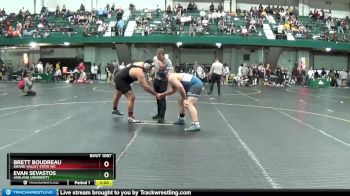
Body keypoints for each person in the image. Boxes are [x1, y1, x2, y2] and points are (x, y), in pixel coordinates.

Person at [152, 48, 174, 123]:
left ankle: (162, 116)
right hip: (156, 80)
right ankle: (158, 114)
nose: (158, 58)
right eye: (157, 56)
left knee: (162, 97)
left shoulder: (168, 61)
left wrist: (163, 68)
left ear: (163, 55)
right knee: (157, 97)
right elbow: (153, 66)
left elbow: (171, 71)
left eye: (160, 57)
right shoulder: (155, 58)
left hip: (163, 81)